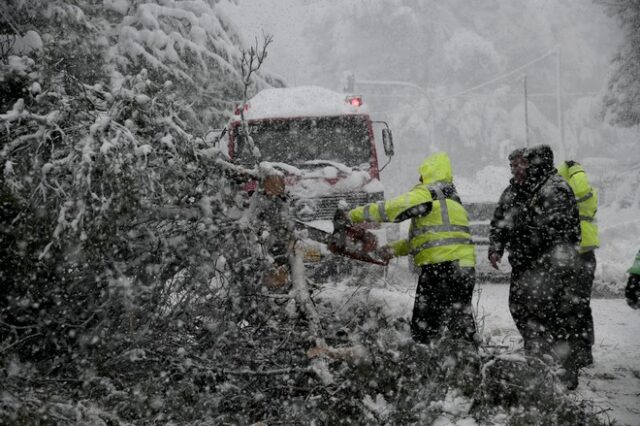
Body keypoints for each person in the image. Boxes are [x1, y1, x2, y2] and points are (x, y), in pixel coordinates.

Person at [340, 152, 477, 347]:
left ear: (429, 173)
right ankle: (467, 360)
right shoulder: (452, 201)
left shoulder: (428, 193)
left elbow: (390, 209)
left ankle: (426, 362)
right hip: (464, 269)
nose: (419, 179)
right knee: (460, 320)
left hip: (440, 268)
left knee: (425, 325)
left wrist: (353, 215)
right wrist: (393, 249)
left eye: (422, 175)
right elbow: (427, 241)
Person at [510, 144, 582, 389]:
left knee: (556, 322)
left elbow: (556, 231)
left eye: (530, 163)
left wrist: (527, 239)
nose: (525, 168)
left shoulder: (555, 189)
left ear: (539, 164)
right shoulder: (539, 188)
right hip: (541, 268)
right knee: (535, 318)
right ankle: (543, 368)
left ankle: (563, 376)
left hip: (554, 270)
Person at [488, 148, 538, 350]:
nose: (516, 169)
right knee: (517, 306)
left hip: (542, 262)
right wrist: (495, 249)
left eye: (520, 164)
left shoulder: (541, 190)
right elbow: (499, 223)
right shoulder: (509, 194)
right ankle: (533, 342)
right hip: (520, 261)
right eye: (513, 166)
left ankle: (542, 346)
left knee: (542, 309)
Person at [557, 160, 600, 368]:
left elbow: (581, 187)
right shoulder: (580, 196)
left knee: (577, 306)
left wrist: (576, 170)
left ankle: (581, 351)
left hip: (580, 255)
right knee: (577, 305)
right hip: (580, 254)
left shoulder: (579, 194)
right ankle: (580, 350)